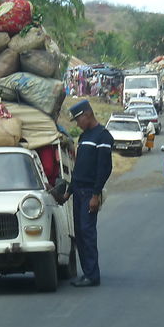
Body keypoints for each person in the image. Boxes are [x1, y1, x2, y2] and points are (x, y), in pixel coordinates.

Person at [61, 100, 112, 287]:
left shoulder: (103, 137)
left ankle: (93, 275)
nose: (77, 124)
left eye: (78, 119)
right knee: (80, 234)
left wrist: (96, 195)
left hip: (90, 192)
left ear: (87, 115)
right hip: (78, 192)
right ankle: (87, 272)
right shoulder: (84, 137)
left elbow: (104, 168)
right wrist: (69, 191)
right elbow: (79, 169)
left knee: (87, 232)